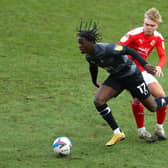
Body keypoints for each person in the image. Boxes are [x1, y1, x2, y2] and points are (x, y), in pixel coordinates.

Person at [77, 20, 168, 146]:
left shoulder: (107, 48)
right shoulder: (89, 56)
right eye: (79, 43)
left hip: (132, 76)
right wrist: (94, 81)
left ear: (91, 42)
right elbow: (93, 66)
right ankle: (117, 132)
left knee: (152, 107)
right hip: (117, 77)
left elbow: (129, 51)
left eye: (82, 43)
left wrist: (145, 65)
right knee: (98, 100)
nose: (80, 46)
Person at [118, 8, 167, 141]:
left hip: (143, 70)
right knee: (137, 99)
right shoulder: (133, 34)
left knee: (161, 96)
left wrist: (159, 66)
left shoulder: (158, 37)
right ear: (143, 22)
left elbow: (163, 56)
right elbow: (117, 48)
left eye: (152, 25)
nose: (149, 28)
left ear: (157, 25)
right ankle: (141, 130)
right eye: (146, 24)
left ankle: (159, 128)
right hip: (128, 71)